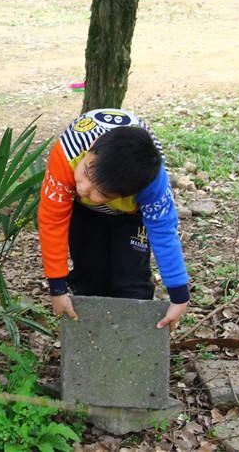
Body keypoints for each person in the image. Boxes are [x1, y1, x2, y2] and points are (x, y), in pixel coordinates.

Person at [38, 108, 189, 329]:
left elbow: (163, 230)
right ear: (91, 151)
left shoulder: (151, 183)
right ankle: (92, 336)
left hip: (130, 215)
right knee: (90, 276)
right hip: (84, 212)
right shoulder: (67, 153)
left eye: (102, 192)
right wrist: (57, 288)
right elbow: (52, 220)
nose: (84, 187)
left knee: (131, 281)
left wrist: (179, 295)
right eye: (87, 173)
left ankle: (132, 341)